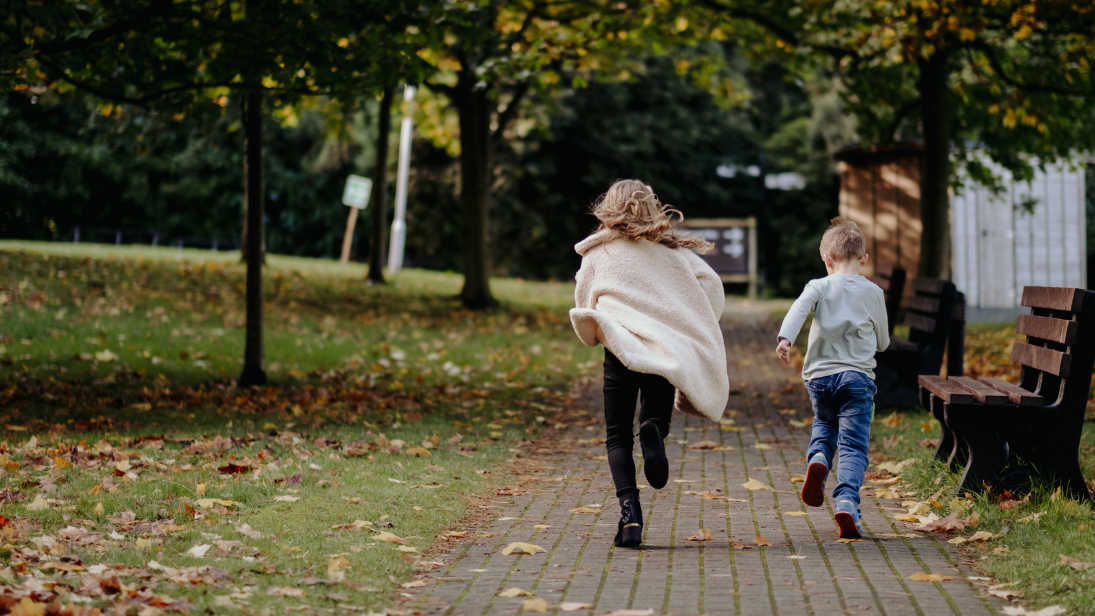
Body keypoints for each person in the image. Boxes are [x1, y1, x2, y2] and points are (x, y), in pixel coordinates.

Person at [570, 179, 729, 548]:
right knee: (654, 418)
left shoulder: (598, 254)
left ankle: (630, 516)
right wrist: (696, 321)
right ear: (653, 208)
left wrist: (597, 328)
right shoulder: (673, 252)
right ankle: (654, 431)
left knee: (616, 437)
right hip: (664, 349)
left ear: (609, 208)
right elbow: (712, 285)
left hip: (620, 348)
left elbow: (584, 299)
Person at [775, 217, 889, 539]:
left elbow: (799, 309)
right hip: (857, 379)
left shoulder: (818, 286)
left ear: (827, 261)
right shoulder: (874, 292)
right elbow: (883, 343)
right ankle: (847, 503)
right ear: (864, 258)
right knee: (853, 445)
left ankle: (819, 458)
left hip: (820, 378)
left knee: (825, 425)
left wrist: (786, 339)